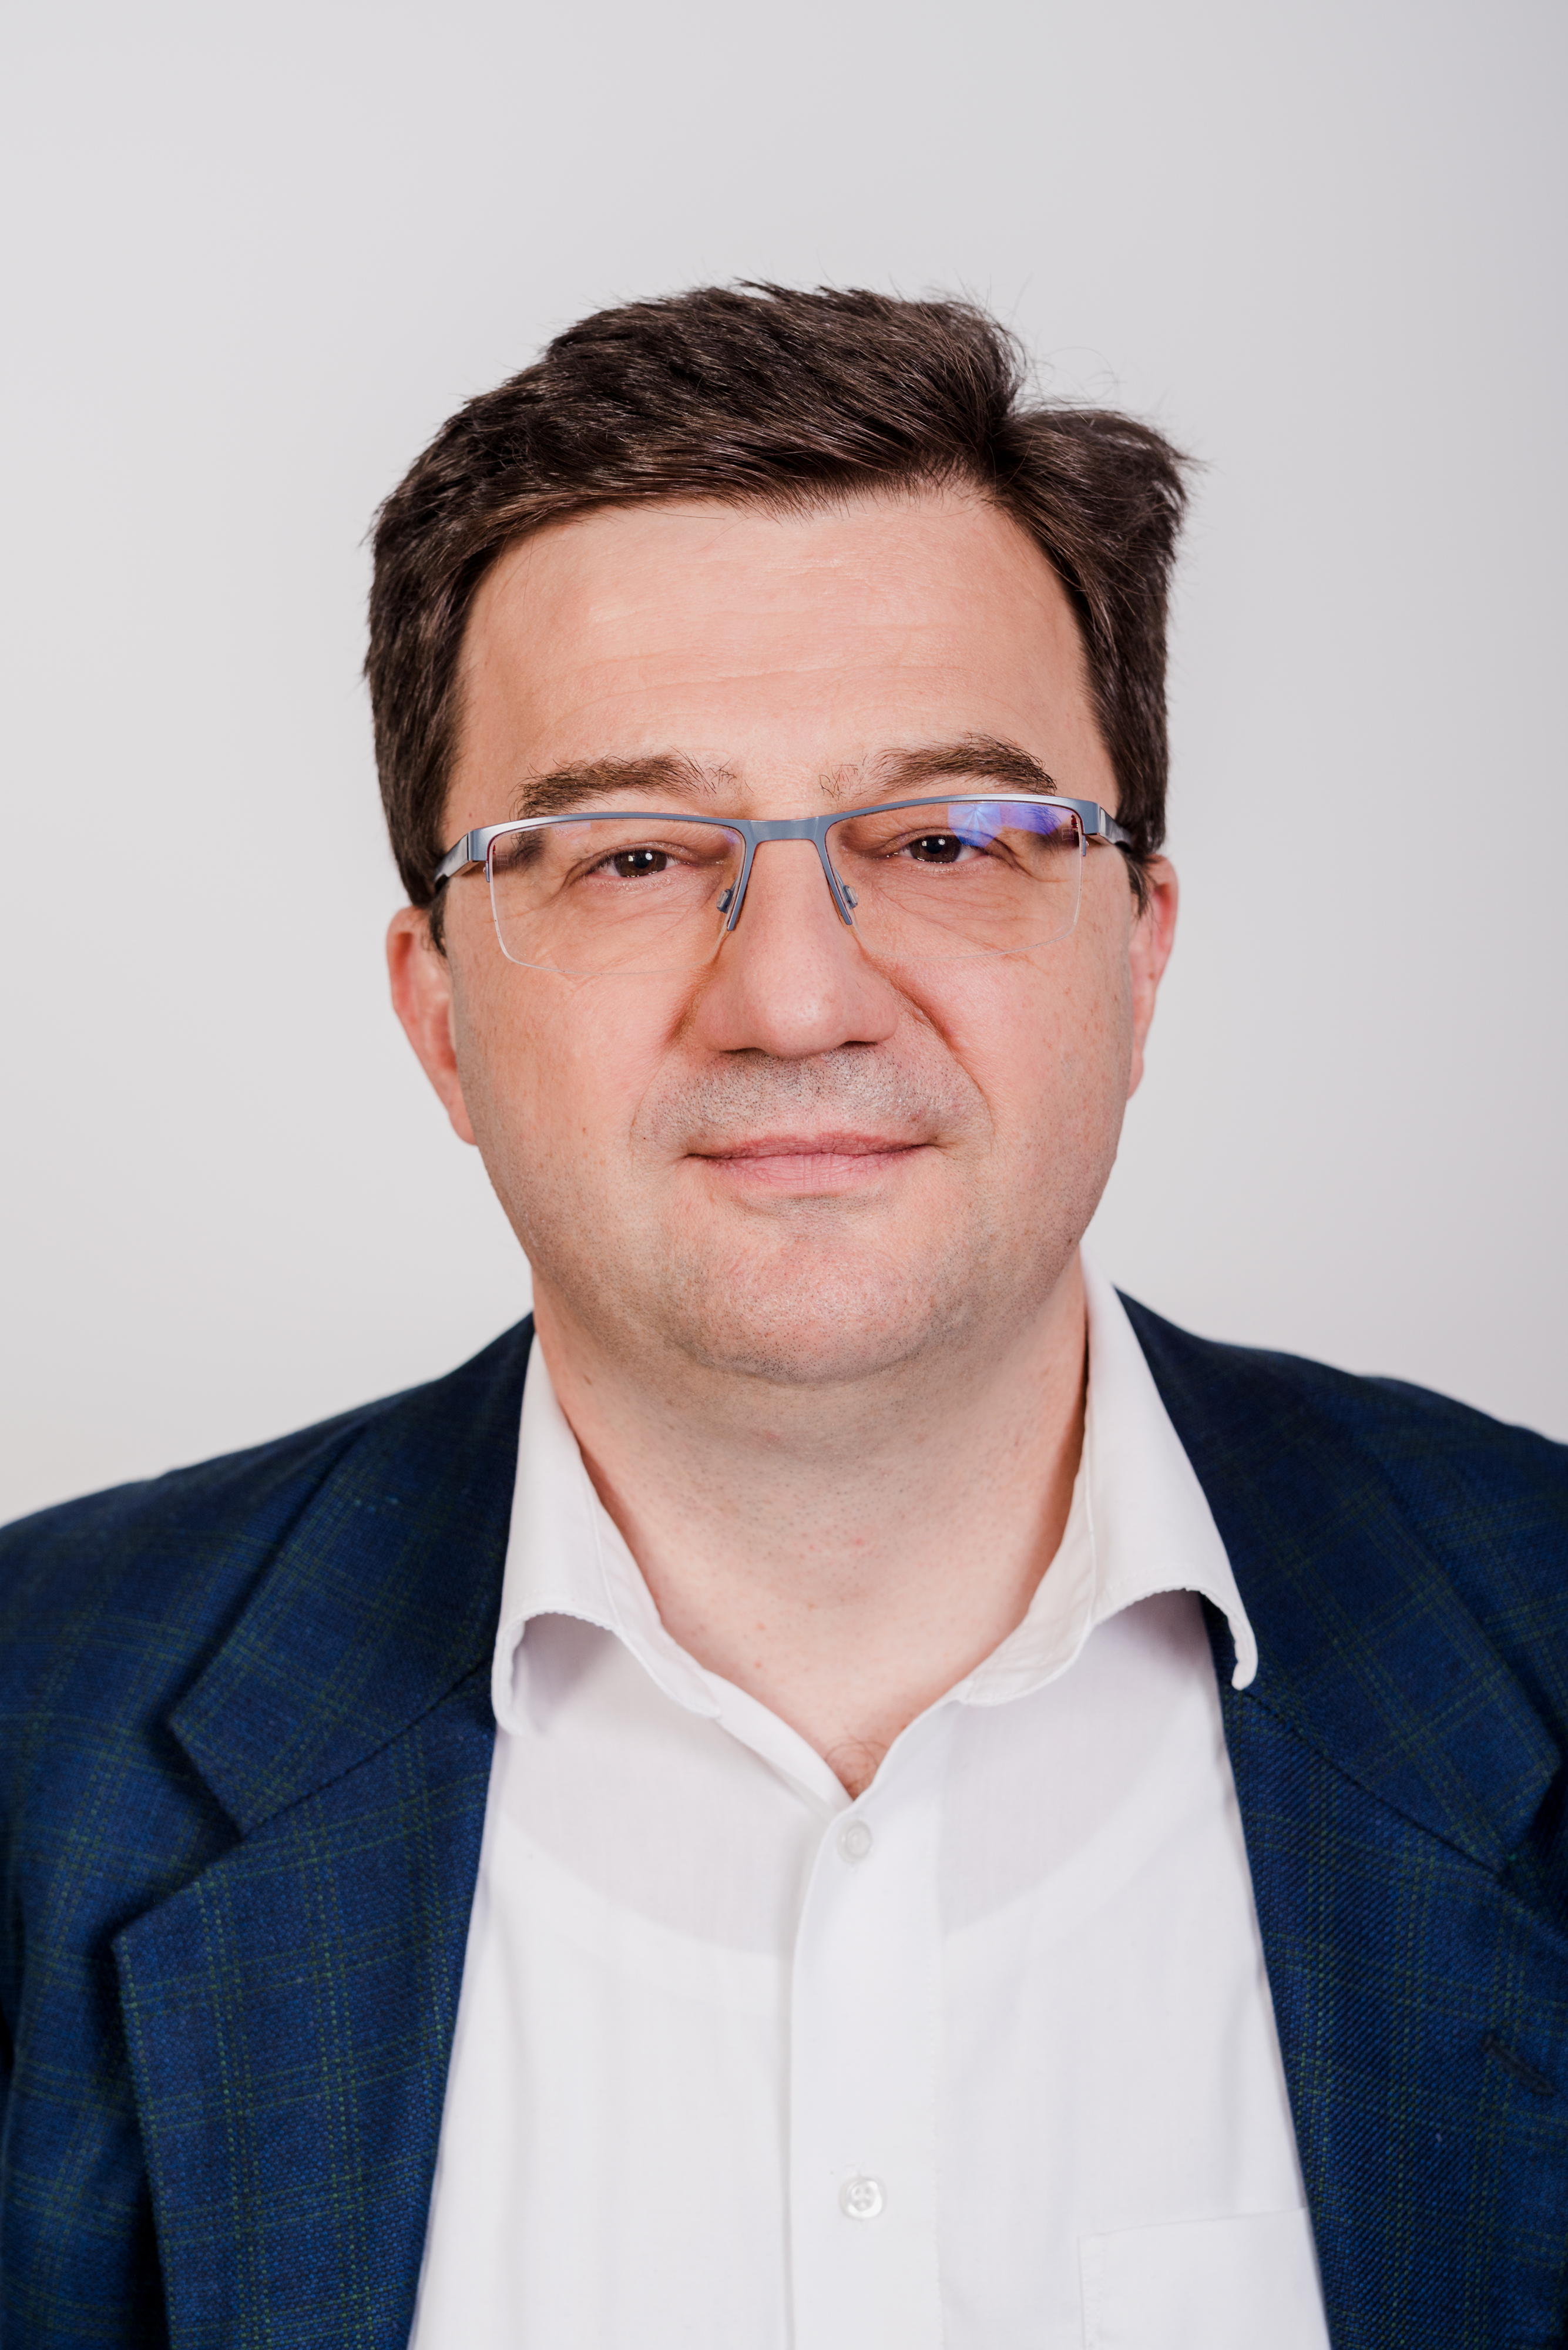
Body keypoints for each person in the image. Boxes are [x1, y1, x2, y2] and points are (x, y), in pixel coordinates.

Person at [1, 284, 1564, 2350]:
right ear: (440, 1016)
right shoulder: (37, 1731)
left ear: (1139, 955)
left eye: (950, 838)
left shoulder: (1538, 1621)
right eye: (634, 857)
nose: (799, 996)